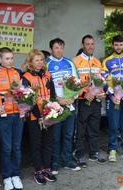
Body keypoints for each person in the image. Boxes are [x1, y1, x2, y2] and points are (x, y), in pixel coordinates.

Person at [0, 47, 24, 190]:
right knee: (6, 148)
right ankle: (7, 177)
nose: (10, 61)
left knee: (16, 147)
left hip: (18, 115)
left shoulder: (18, 72)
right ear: (0, 59)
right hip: (4, 116)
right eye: (7, 58)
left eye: (12, 58)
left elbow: (22, 93)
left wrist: (24, 106)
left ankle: (16, 175)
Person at [21, 49, 57, 185]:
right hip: (35, 117)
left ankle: (47, 169)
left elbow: (52, 94)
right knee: (36, 144)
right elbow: (27, 100)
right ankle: (38, 171)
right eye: (37, 60)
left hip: (49, 115)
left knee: (48, 143)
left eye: (42, 60)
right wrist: (40, 116)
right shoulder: (26, 77)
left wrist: (51, 111)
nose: (40, 62)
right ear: (30, 62)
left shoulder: (47, 74)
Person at [46, 38, 81, 174]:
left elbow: (77, 83)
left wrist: (73, 97)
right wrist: (56, 100)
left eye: (61, 47)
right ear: (51, 50)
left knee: (68, 135)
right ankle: (54, 163)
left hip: (70, 105)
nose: (59, 50)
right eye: (56, 48)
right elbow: (45, 87)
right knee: (55, 136)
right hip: (55, 106)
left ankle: (66, 160)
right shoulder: (46, 64)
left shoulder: (69, 63)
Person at [73, 34, 107, 167]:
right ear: (82, 45)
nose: (90, 46)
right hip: (83, 100)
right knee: (81, 129)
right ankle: (80, 154)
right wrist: (85, 92)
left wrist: (101, 93)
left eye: (92, 44)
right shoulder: (75, 61)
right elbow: (72, 83)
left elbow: (100, 81)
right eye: (87, 44)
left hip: (96, 100)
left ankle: (94, 153)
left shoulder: (97, 62)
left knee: (94, 128)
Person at [102, 35, 123, 162]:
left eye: (120, 44)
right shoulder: (106, 61)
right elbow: (104, 82)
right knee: (113, 124)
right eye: (116, 44)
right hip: (113, 98)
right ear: (112, 45)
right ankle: (112, 149)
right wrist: (111, 96)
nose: (118, 47)